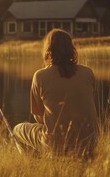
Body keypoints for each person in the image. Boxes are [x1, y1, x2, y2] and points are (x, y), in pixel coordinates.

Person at [13, 29, 98, 157]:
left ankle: (35, 164)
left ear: (48, 50)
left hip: (56, 145)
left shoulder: (40, 76)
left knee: (17, 130)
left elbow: (39, 118)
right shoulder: (88, 72)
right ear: (71, 48)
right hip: (89, 143)